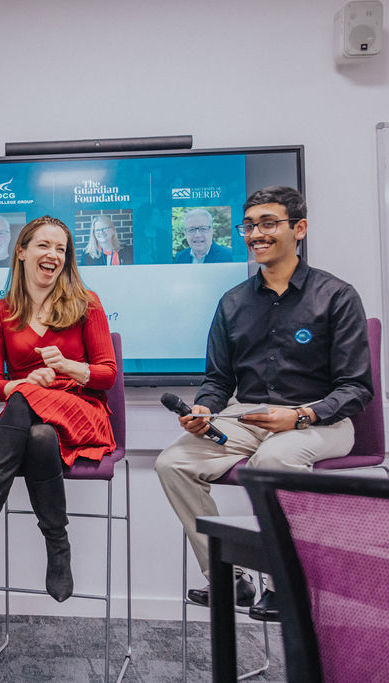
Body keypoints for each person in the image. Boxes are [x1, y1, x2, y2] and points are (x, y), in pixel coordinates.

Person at [155, 187, 372, 621]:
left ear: (300, 229)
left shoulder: (337, 296)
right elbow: (218, 380)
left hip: (321, 419)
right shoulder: (233, 302)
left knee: (271, 460)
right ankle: (229, 577)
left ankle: (282, 583)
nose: (256, 234)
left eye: (268, 223)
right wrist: (203, 409)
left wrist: (300, 415)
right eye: (249, 225)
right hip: (246, 416)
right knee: (172, 462)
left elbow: (356, 388)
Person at [0, 215, 117, 601]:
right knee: (38, 434)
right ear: (21, 252)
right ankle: (58, 546)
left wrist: (67, 366)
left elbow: (107, 374)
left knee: (24, 398)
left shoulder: (86, 304)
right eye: (44, 245)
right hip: (31, 422)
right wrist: (22, 382)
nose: (53, 255)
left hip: (81, 409)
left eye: (61, 249)